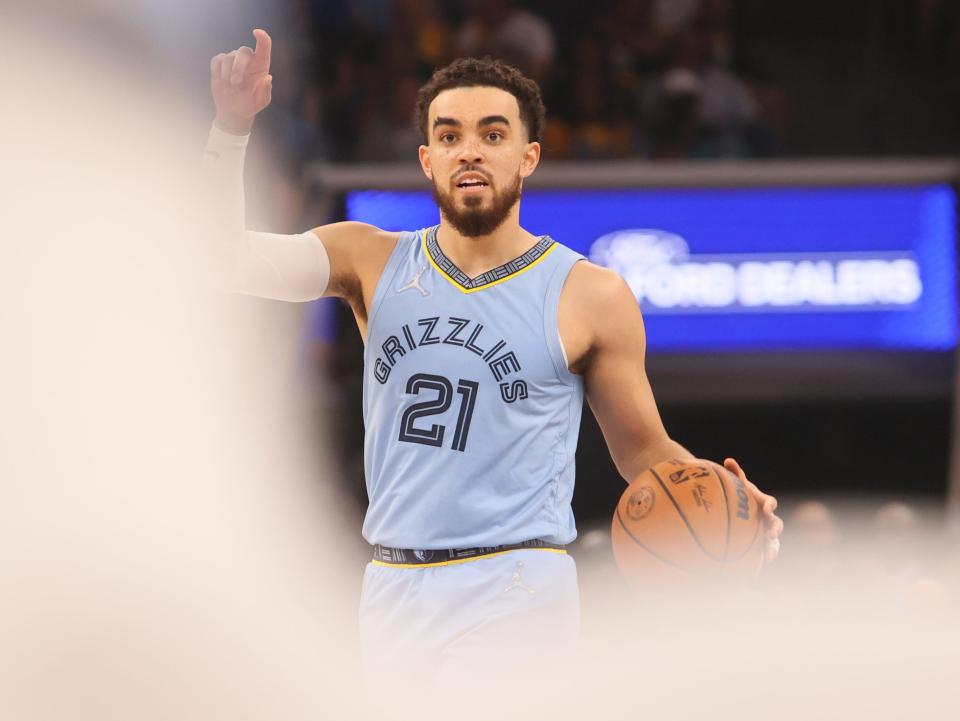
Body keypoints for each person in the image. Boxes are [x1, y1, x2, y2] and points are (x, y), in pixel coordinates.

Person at [204, 29, 784, 680]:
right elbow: (227, 259)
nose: (469, 150)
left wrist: (726, 494)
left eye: (492, 133)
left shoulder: (590, 292)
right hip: (393, 580)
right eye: (449, 135)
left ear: (529, 155)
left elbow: (644, 449)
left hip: (517, 582)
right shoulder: (368, 256)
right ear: (426, 158)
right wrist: (231, 129)